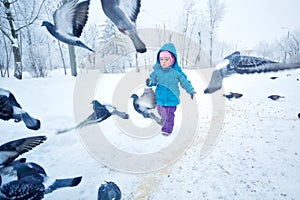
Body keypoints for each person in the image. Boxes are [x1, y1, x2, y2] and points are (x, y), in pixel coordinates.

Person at [146, 43, 196, 136]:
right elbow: (153, 80)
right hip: (160, 98)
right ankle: (164, 123)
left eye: (166, 59)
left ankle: (167, 130)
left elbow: (184, 81)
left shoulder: (176, 72)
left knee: (169, 115)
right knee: (161, 113)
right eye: (161, 59)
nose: (163, 62)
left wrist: (190, 90)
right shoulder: (157, 71)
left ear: (172, 60)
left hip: (172, 98)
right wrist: (149, 82)